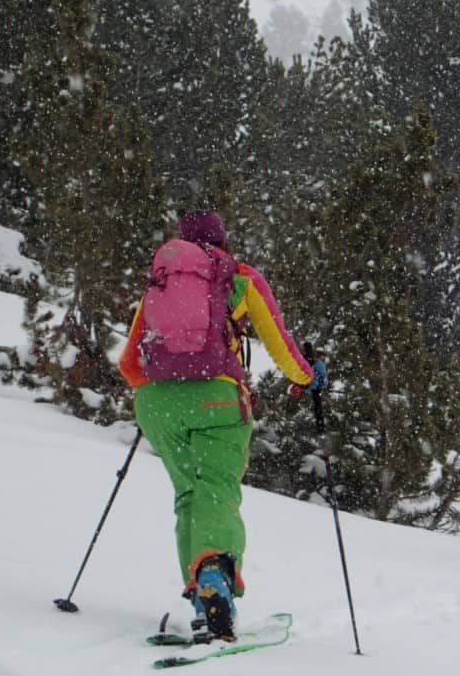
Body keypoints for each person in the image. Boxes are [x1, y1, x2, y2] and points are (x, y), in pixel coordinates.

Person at [119, 210, 319, 641]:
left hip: (156, 404)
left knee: (188, 494)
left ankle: (202, 599)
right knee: (216, 490)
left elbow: (128, 361)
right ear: (223, 243)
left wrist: (163, 390)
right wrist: (308, 378)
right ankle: (214, 577)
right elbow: (280, 345)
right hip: (216, 399)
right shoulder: (240, 279)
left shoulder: (161, 281)